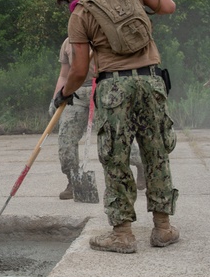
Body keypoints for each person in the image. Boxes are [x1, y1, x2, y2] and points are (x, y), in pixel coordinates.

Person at [49, 0, 179, 254]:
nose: (67, 3)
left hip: (114, 88)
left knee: (115, 157)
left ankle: (122, 234)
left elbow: (79, 70)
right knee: (156, 152)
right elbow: (168, 6)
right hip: (151, 81)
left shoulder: (80, 15)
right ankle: (163, 229)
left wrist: (64, 94)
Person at [50, 37, 145, 200]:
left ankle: (140, 164)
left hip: (103, 91)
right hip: (75, 95)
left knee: (114, 138)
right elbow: (64, 75)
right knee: (65, 142)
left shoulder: (102, 36)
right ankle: (73, 181)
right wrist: (55, 99)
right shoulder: (67, 42)